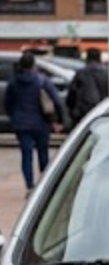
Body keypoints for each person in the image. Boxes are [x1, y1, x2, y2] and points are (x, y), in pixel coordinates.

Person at [4, 53, 68, 191]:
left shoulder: (13, 83)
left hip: (21, 124)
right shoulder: (43, 81)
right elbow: (57, 101)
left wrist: (13, 117)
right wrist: (60, 120)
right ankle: (44, 185)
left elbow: (8, 104)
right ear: (34, 65)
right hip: (41, 124)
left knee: (26, 155)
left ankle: (29, 186)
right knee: (43, 154)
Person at [65, 47, 109, 121]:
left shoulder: (81, 73)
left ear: (87, 58)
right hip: (104, 110)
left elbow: (72, 95)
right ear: (99, 58)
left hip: (84, 112)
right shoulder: (107, 73)